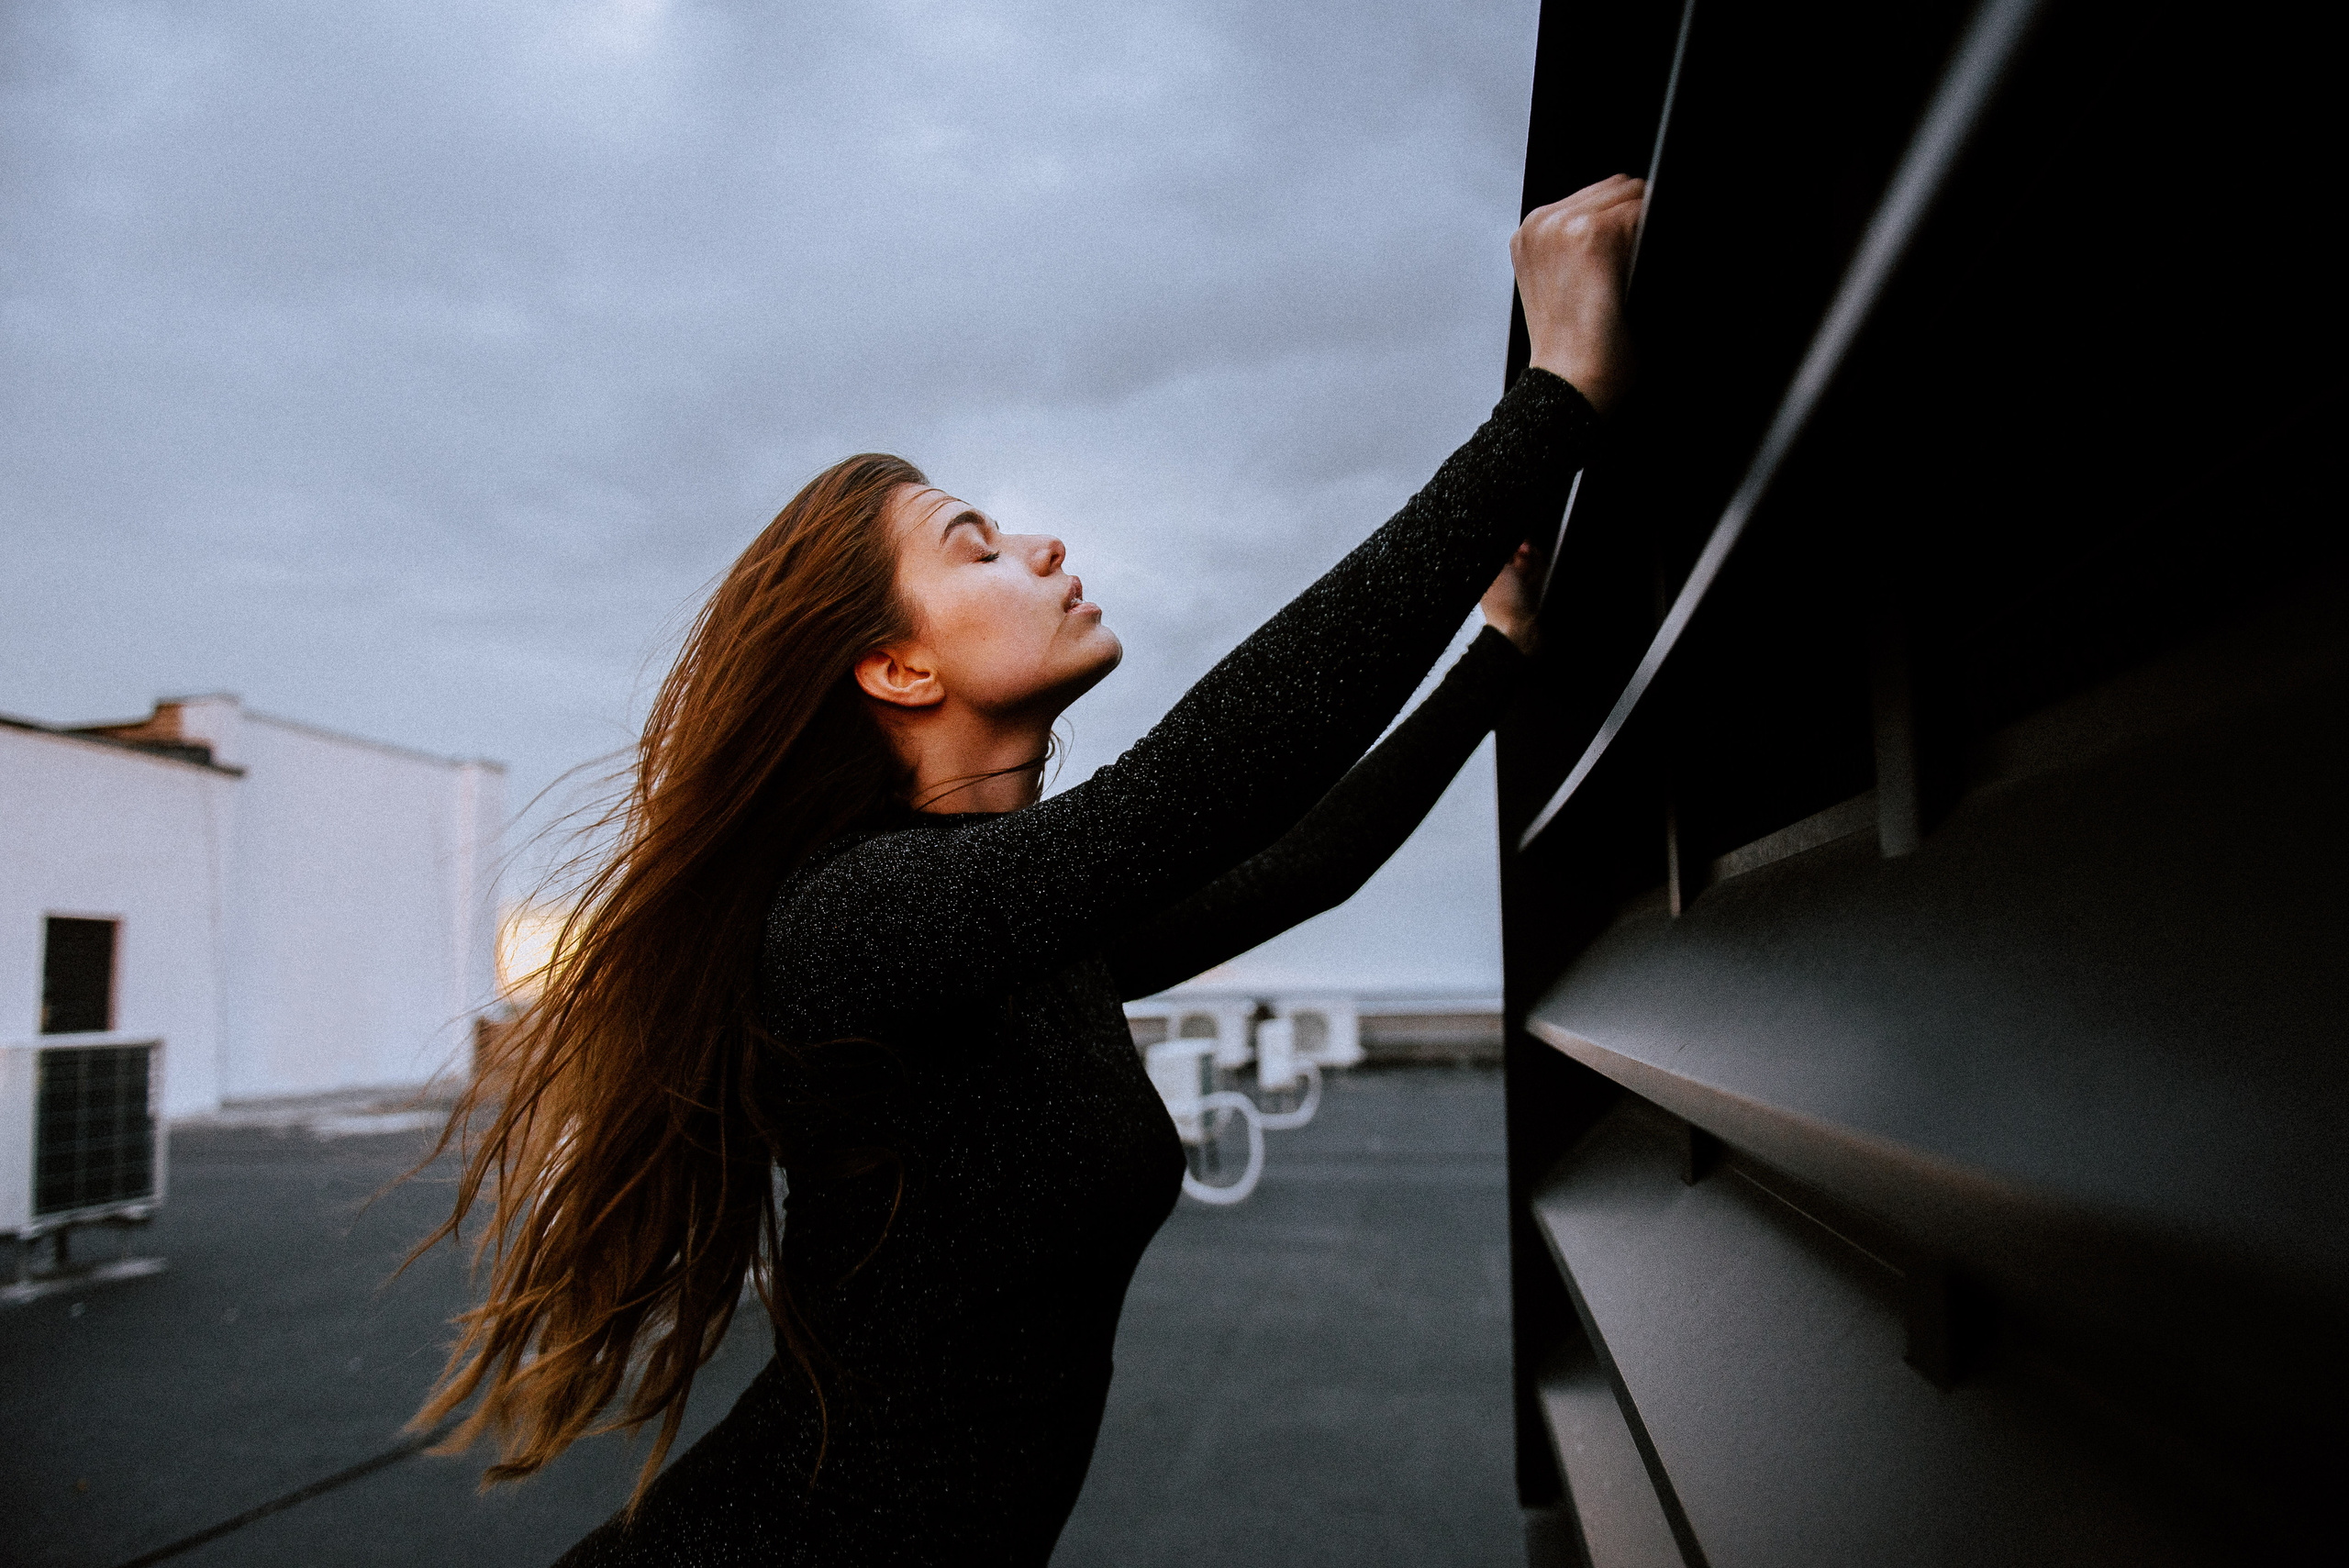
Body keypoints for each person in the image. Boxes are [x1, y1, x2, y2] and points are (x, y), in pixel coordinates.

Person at [413, 172, 1644, 1565]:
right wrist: (1554, 397)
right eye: (977, 545)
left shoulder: (1025, 932)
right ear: (898, 663)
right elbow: (1196, 789)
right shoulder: (849, 921)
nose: (1044, 546)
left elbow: (1307, 856)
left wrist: (1497, 658)